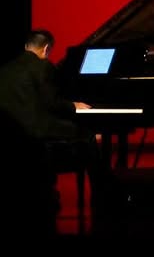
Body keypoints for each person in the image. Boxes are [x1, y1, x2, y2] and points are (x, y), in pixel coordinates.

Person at [0, 30, 99, 220]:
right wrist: (73, 105)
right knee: (88, 134)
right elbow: (52, 103)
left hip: (11, 132)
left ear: (26, 46)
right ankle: (101, 193)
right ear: (46, 49)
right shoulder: (43, 67)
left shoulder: (6, 68)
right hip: (36, 132)